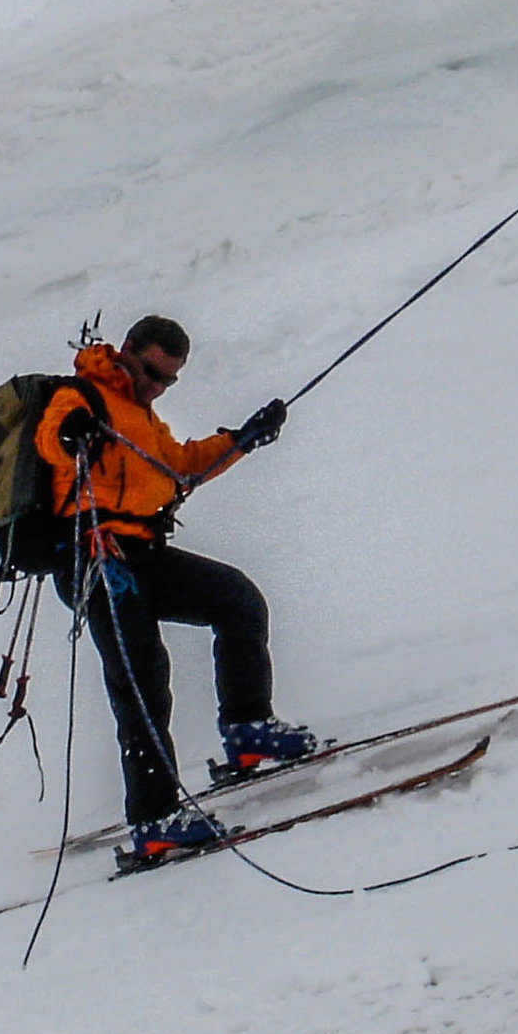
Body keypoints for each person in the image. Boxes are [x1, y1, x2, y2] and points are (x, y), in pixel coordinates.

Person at [34, 316, 310, 859]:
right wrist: (73, 436)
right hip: (95, 561)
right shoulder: (80, 395)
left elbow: (178, 467)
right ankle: (155, 818)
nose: (158, 387)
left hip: (141, 555)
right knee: (142, 679)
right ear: (128, 351)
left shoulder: (141, 416)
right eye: (153, 373)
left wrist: (242, 440)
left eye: (169, 382)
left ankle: (248, 731)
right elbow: (53, 438)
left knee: (238, 599)